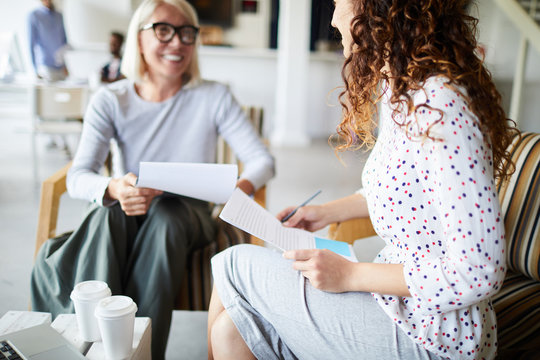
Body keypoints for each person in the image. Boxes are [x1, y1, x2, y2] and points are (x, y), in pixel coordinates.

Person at [208, 1, 518, 359]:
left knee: (231, 265)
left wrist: (350, 276)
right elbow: (402, 191)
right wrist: (325, 212)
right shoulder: (403, 90)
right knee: (231, 330)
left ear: (376, 8)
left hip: (436, 333)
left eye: (339, 2)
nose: (333, 16)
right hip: (401, 306)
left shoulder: (440, 105)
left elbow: (479, 272)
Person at [30, 0, 275, 359]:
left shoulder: (213, 96)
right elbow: (78, 176)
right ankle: (94, 347)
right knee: (109, 212)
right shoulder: (111, 99)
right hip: (130, 206)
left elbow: (261, 160)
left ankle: (142, 353)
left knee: (166, 216)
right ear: (139, 39)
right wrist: (113, 188)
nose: (177, 43)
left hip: (188, 215)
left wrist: (236, 191)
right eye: (164, 30)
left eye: (186, 33)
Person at [27, 0, 69, 81]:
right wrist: (35, 70)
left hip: (60, 67)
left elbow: (64, 42)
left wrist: (66, 65)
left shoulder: (59, 16)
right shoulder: (34, 16)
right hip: (46, 66)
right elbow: (31, 44)